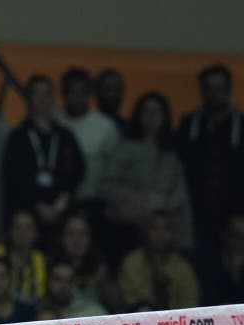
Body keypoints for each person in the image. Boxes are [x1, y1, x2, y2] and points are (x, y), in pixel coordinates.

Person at [101, 92, 193, 255]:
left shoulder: (172, 152)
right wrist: (130, 196)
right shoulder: (125, 148)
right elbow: (106, 184)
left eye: (157, 112)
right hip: (129, 229)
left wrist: (158, 202)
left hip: (165, 233)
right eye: (146, 111)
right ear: (138, 115)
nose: (151, 117)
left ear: (165, 117)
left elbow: (180, 195)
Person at [2, 74, 85, 238]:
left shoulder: (65, 136)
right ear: (29, 98)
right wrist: (38, 206)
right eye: (37, 93)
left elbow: (77, 171)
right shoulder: (18, 137)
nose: (42, 99)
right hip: (27, 214)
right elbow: (12, 176)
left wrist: (59, 205)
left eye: (47, 93)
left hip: (60, 213)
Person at [178, 64, 244, 254]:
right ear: (202, 91)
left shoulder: (242, 127)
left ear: (229, 90)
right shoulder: (188, 125)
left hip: (235, 212)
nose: (214, 94)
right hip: (194, 213)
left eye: (220, 88)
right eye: (209, 88)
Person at [55, 67, 120, 203]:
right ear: (63, 94)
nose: (77, 97)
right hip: (56, 198)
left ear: (90, 94)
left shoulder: (105, 126)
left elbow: (114, 168)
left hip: (93, 199)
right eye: (72, 92)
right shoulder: (53, 120)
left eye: (82, 92)